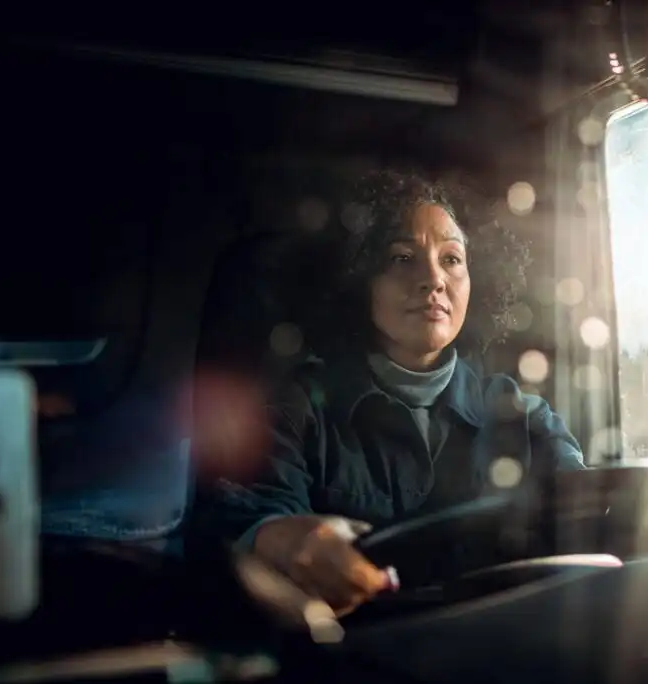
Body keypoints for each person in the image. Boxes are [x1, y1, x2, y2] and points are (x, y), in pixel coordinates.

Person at [196, 170, 586, 617]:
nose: (433, 280)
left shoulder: (523, 414)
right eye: (403, 258)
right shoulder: (298, 406)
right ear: (359, 280)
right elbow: (250, 521)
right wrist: (289, 541)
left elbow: (588, 504)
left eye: (452, 259)